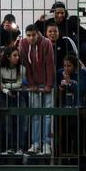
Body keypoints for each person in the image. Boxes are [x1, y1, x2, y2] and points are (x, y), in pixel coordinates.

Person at [18, 24, 55, 155]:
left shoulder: (46, 43)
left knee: (47, 115)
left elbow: (50, 64)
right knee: (35, 115)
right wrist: (31, 84)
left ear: (38, 33)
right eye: (28, 35)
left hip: (46, 84)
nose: (31, 38)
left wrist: (49, 85)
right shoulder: (22, 44)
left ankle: (46, 144)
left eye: (33, 35)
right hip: (33, 85)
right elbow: (25, 65)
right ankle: (35, 143)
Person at [0, 47, 27, 154]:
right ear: (8, 57)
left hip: (18, 96)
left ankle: (20, 147)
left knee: (19, 122)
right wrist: (5, 90)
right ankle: (8, 147)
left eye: (18, 55)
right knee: (6, 122)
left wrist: (5, 86)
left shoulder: (21, 68)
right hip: (4, 97)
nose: (17, 58)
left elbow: (19, 83)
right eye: (14, 55)